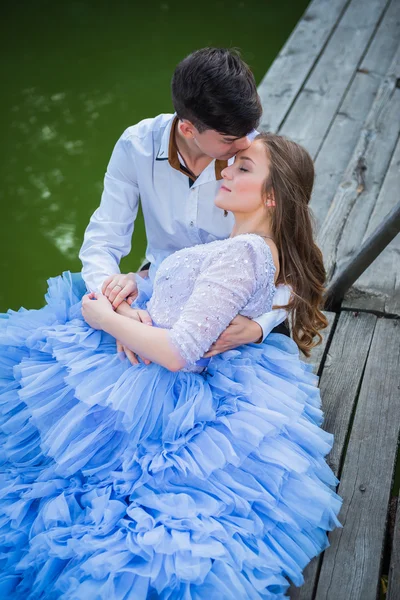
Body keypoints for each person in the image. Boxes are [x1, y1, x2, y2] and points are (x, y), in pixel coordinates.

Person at [0, 133, 342, 599]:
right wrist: (134, 285)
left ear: (271, 196)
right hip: (159, 340)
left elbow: (181, 351)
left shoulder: (242, 252)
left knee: (70, 471)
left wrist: (104, 317)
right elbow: (189, 301)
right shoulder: (246, 245)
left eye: (243, 167)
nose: (225, 171)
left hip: (160, 375)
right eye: (232, 162)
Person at [79, 47, 290, 364]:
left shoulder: (257, 162)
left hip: (235, 321)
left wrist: (258, 328)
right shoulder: (136, 147)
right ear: (188, 129)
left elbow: (296, 259)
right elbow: (102, 241)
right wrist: (119, 309)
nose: (247, 143)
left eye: (249, 129)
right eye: (231, 139)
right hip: (156, 297)